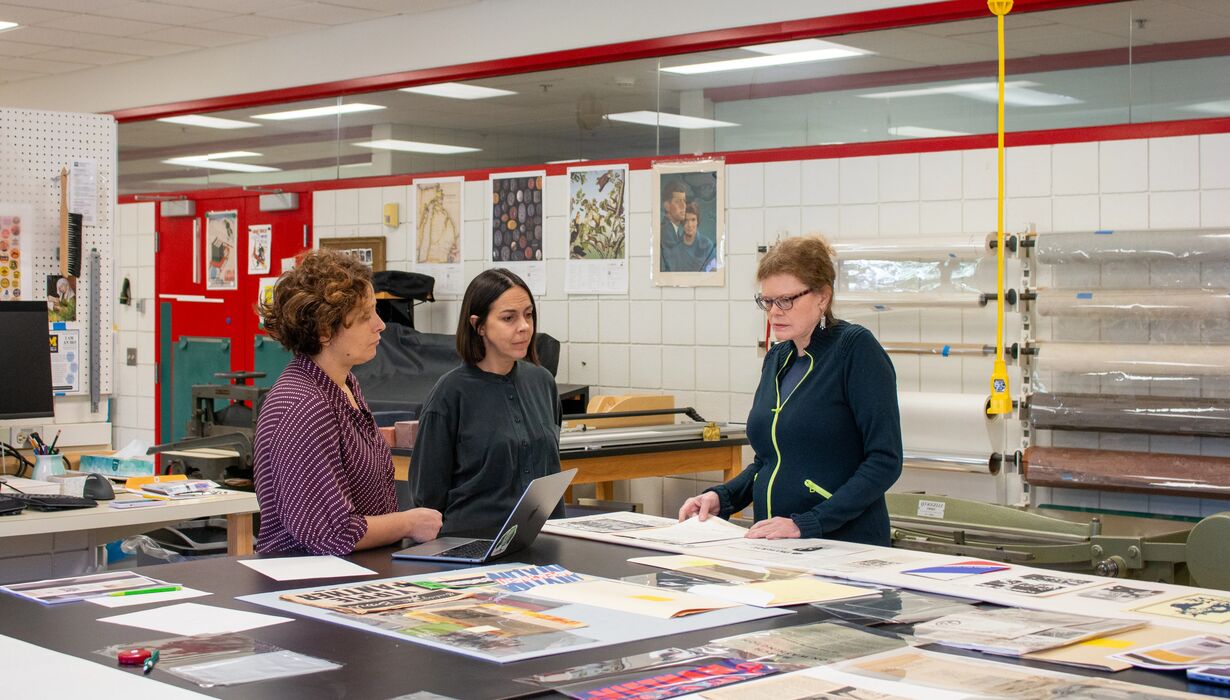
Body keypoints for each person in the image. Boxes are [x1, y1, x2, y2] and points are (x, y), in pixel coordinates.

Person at [678, 235, 902, 545]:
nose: (774, 312)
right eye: (767, 301)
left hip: (843, 544)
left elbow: (885, 461)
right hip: (777, 545)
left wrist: (809, 523)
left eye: (786, 300)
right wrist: (722, 497)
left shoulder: (855, 350)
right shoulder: (777, 358)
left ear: (822, 297)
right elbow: (768, 460)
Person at [253, 249, 442, 555]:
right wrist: (407, 523)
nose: (380, 325)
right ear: (326, 329)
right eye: (366, 316)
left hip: (357, 570)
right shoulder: (303, 405)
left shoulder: (344, 385)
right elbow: (332, 533)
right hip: (306, 581)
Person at [409, 268, 565, 536]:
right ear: (478, 325)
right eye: (508, 318)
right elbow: (427, 495)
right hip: (471, 545)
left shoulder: (542, 382)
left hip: (542, 540)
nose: (524, 327)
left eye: (528, 315)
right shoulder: (450, 393)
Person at [661, 202, 716, 272]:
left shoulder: (707, 246)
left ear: (697, 221)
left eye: (693, 220)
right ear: (682, 222)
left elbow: (714, 274)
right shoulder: (674, 248)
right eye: (686, 220)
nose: (690, 225)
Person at [659, 180, 687, 252]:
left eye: (684, 201)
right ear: (667, 206)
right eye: (677, 201)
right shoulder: (665, 232)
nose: (683, 206)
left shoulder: (673, 230)